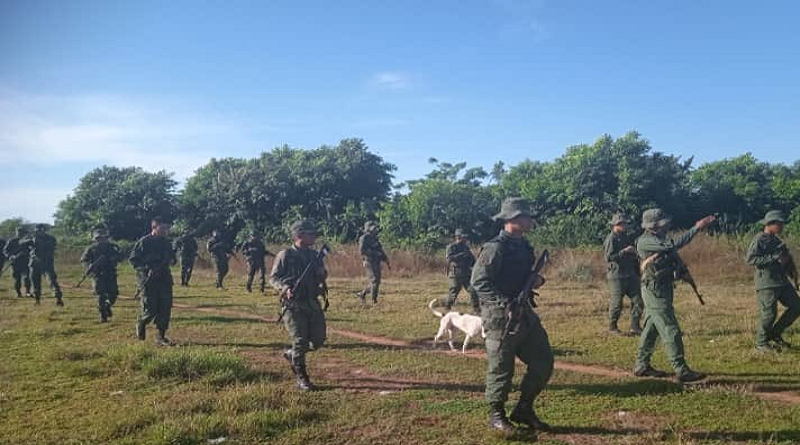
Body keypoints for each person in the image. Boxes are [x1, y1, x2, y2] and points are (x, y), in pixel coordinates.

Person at [471, 198, 553, 434]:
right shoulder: (495, 248)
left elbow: (523, 276)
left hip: (523, 312)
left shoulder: (523, 246)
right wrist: (503, 303)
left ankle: (524, 409)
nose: (530, 220)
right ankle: (497, 416)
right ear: (512, 219)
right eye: (526, 216)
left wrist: (536, 280)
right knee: (501, 367)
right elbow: (478, 282)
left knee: (543, 360)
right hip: (500, 317)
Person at [633, 208, 715, 383]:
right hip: (655, 291)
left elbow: (673, 257)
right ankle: (681, 369)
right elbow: (672, 246)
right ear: (653, 226)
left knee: (652, 328)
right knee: (670, 328)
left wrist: (683, 272)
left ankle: (641, 365)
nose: (667, 225)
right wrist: (696, 228)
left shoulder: (659, 239)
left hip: (662, 288)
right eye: (663, 223)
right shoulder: (645, 241)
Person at [270, 220, 328, 391]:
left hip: (312, 302)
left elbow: (322, 275)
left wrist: (322, 274)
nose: (314, 237)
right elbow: (273, 278)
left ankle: (293, 353)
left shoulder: (314, 256)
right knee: (300, 340)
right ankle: (302, 378)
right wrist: (285, 288)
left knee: (318, 340)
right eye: (311, 234)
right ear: (299, 235)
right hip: (293, 304)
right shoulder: (285, 255)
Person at [746, 210, 800, 352]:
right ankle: (761, 343)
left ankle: (775, 334)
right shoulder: (759, 239)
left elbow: (787, 261)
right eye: (779, 223)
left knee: (796, 306)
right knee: (769, 314)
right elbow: (751, 259)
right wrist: (773, 258)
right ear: (770, 223)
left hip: (782, 281)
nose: (782, 226)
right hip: (767, 283)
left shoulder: (778, 241)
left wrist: (794, 277)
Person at [130, 217, 175, 346]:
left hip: (164, 278)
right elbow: (134, 260)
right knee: (150, 309)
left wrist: (171, 261)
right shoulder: (144, 242)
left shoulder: (167, 242)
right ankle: (142, 322)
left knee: (165, 307)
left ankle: (161, 336)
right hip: (148, 280)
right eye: (163, 228)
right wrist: (146, 269)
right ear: (154, 227)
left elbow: (172, 258)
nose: (166, 230)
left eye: (167, 228)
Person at [603, 213, 644, 335]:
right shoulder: (611, 238)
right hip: (617, 275)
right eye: (624, 223)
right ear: (617, 224)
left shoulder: (625, 236)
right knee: (617, 303)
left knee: (638, 300)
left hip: (630, 273)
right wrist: (624, 251)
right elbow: (609, 257)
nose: (626, 225)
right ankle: (612, 327)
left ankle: (635, 326)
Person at [80, 227, 123, 322]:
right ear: (96, 239)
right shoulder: (91, 248)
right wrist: (90, 266)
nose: (102, 240)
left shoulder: (112, 247)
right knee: (100, 295)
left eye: (104, 238)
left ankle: (107, 306)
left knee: (113, 294)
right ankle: (103, 315)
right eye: (100, 238)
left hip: (110, 273)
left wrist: (114, 258)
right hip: (97, 275)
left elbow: (120, 257)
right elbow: (83, 260)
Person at [23, 224, 63, 306]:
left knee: (51, 281)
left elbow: (49, 249)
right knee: (37, 282)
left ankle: (58, 298)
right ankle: (38, 300)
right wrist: (29, 239)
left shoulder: (48, 239)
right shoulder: (38, 238)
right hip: (38, 263)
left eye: (39, 231)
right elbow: (21, 243)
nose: (39, 232)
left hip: (43, 263)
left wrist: (31, 239)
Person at [444, 228, 480, 313]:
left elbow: (472, 260)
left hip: (467, 273)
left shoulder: (466, 247)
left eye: (465, 237)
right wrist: (462, 255)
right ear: (457, 237)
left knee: (473, 290)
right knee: (454, 291)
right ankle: (447, 308)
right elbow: (449, 258)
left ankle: (476, 309)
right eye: (463, 237)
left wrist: (476, 265)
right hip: (456, 273)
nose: (465, 239)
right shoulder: (451, 247)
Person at [358, 221, 389, 305]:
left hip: (376, 261)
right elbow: (362, 251)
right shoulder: (364, 238)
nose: (375, 229)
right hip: (369, 261)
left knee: (376, 282)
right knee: (375, 280)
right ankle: (374, 301)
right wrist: (374, 253)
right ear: (368, 228)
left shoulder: (375, 238)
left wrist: (385, 259)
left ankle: (362, 293)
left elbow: (380, 249)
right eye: (372, 227)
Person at [2, 227, 31, 298]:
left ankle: (28, 292)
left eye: (21, 232)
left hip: (25, 262)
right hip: (15, 263)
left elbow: (32, 249)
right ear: (16, 233)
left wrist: (27, 252)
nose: (20, 234)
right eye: (18, 232)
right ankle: (18, 293)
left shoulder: (28, 241)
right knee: (17, 279)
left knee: (27, 278)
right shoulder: (11, 241)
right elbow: (5, 251)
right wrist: (10, 256)